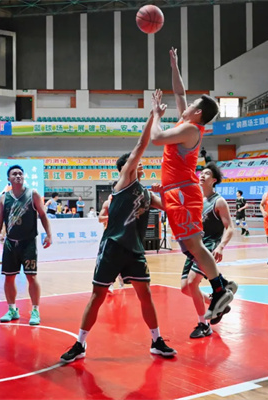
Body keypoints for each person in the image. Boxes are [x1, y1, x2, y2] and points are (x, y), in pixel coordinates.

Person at [60, 91, 176, 363]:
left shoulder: (146, 194)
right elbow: (140, 145)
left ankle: (156, 340)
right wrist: (154, 116)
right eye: (134, 163)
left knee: (145, 295)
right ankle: (80, 344)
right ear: (126, 168)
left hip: (134, 250)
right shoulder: (124, 183)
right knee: (98, 295)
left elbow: (170, 208)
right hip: (112, 247)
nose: (139, 164)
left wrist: (168, 192)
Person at [149, 47, 235, 321]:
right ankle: (221, 285)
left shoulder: (189, 129)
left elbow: (156, 138)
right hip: (177, 193)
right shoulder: (187, 122)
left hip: (184, 193)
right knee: (189, 247)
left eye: (190, 105)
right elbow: (179, 93)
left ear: (197, 113)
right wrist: (174, 66)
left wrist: (156, 115)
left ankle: (219, 289)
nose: (184, 105)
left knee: (195, 246)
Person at [178, 162, 236, 338]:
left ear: (214, 180)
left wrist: (221, 246)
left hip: (209, 246)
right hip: (194, 245)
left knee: (192, 283)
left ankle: (203, 325)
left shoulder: (219, 201)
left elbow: (230, 228)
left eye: (207, 173)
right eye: (201, 173)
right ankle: (218, 302)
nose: (202, 175)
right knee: (185, 288)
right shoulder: (197, 200)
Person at [0, 165, 52, 326]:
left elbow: (43, 215)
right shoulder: (4, 198)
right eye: (14, 174)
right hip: (10, 243)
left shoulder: (32, 194)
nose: (18, 176)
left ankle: (35, 310)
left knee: (31, 276)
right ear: (9, 179)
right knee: (9, 277)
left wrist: (49, 235)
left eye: (20, 173)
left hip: (28, 243)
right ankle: (12, 309)